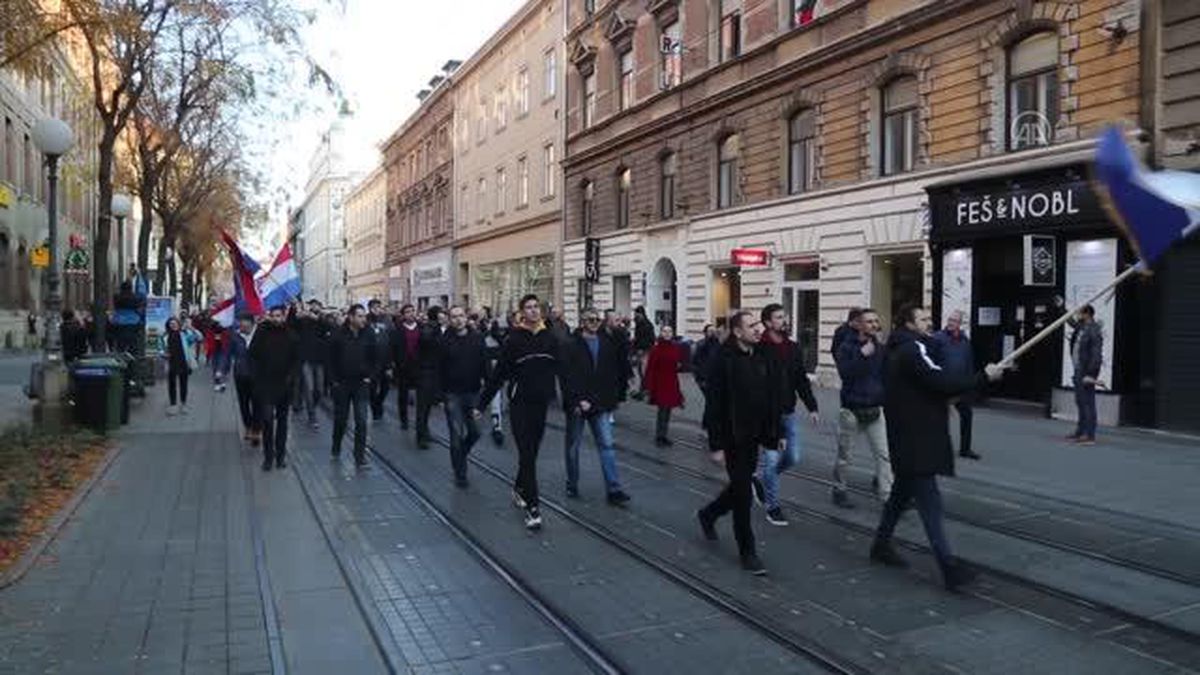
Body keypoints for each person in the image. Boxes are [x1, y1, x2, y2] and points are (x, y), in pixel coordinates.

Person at [869, 304, 1005, 591]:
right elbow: (940, 381)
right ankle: (949, 568)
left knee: (898, 499)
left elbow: (924, 386)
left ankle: (880, 545)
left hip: (907, 435)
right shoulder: (912, 350)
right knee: (931, 505)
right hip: (918, 439)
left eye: (930, 318)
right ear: (908, 323)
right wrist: (984, 376)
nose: (930, 323)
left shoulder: (898, 349)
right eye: (923, 319)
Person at [697, 311, 786, 575]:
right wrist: (716, 445)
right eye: (751, 327)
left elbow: (772, 398)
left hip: (756, 434)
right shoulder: (722, 360)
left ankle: (709, 514)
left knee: (739, 488)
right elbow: (714, 404)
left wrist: (777, 432)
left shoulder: (762, 355)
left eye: (758, 325)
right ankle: (748, 552)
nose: (758, 330)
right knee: (743, 494)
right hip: (733, 436)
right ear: (737, 332)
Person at [476, 294, 561, 530]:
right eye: (528, 308)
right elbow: (498, 374)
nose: (533, 311)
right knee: (526, 453)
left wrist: (574, 397)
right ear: (522, 312)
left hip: (540, 403)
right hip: (519, 403)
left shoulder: (550, 338)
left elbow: (564, 369)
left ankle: (519, 487)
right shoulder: (514, 340)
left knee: (531, 453)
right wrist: (480, 405)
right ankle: (533, 508)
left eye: (536, 307)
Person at [751, 304, 820, 527]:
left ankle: (761, 481)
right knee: (771, 461)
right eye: (779, 317)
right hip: (767, 415)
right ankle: (772, 507)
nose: (784, 320)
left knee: (793, 457)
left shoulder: (792, 347)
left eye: (785, 316)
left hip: (788, 411)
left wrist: (812, 406)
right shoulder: (759, 348)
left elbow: (800, 378)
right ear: (768, 323)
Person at [560, 307, 631, 504]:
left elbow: (610, 374)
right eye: (590, 320)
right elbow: (566, 377)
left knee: (607, 445)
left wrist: (613, 400)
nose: (594, 323)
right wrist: (576, 400)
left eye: (597, 320)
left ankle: (614, 489)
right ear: (582, 322)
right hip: (578, 404)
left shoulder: (606, 343)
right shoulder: (570, 344)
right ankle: (572, 483)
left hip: (599, 404)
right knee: (573, 447)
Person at [832, 307, 891, 508]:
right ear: (859, 325)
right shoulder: (846, 347)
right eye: (869, 322)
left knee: (884, 455)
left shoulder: (881, 347)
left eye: (876, 321)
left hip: (875, 409)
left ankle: (887, 496)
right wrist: (862, 355)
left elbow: (885, 375)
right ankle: (839, 489)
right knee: (845, 456)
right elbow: (846, 374)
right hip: (851, 410)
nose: (874, 325)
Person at [440, 306, 487, 487]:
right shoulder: (445, 341)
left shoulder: (477, 338)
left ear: (466, 318)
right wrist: (440, 396)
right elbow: (439, 368)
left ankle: (461, 454)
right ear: (449, 320)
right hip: (452, 394)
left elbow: (485, 364)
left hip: (473, 392)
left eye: (461, 316)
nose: (458, 320)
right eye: (454, 317)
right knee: (455, 435)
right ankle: (460, 473)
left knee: (475, 432)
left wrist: (488, 389)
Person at [250, 305, 299, 471]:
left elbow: (296, 359)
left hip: (284, 385)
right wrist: (260, 327)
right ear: (270, 316)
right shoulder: (263, 332)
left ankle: (281, 456)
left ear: (284, 316)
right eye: (274, 316)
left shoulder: (291, 334)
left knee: (283, 422)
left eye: (280, 316)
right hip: (266, 384)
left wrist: (291, 377)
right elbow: (253, 353)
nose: (277, 319)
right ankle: (268, 457)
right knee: (268, 420)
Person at [329, 304, 376, 468]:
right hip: (342, 383)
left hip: (361, 384)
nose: (364, 319)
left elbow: (375, 356)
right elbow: (330, 359)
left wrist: (370, 375)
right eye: (360, 316)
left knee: (362, 420)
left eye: (364, 316)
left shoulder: (368, 334)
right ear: (351, 317)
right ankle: (336, 445)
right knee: (341, 419)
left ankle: (359, 456)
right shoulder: (338, 335)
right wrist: (334, 380)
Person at [931, 310, 980, 459]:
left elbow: (968, 362)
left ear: (960, 323)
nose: (951, 323)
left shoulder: (965, 341)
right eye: (950, 320)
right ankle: (938, 448)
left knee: (967, 415)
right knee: (941, 417)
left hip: (961, 385)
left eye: (954, 321)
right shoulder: (938, 338)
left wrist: (970, 383)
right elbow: (932, 361)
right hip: (944, 384)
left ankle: (965, 449)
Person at [644, 324, 685, 447]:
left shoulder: (675, 347)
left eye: (669, 331)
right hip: (660, 383)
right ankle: (660, 436)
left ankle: (664, 435)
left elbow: (677, 363)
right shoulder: (656, 349)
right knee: (662, 411)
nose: (667, 333)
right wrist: (648, 386)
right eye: (665, 331)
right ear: (661, 333)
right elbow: (650, 368)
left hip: (671, 382)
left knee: (668, 411)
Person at [1067, 304, 1103, 445]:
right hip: (1078, 368)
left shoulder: (1093, 330)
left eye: (1080, 312)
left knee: (1088, 402)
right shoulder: (1082, 327)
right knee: (1080, 401)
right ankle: (1080, 431)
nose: (1077, 315)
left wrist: (1091, 374)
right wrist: (1061, 307)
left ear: (1087, 314)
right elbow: (1071, 322)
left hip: (1086, 370)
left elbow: (1096, 355)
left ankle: (1089, 435)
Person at [291, 301, 329, 429]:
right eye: (311, 305)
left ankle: (311, 405)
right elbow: (291, 326)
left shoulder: (321, 319)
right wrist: (295, 314)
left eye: (315, 305)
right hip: (305, 359)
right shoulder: (301, 320)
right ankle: (312, 415)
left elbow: (328, 328)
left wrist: (318, 318)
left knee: (319, 390)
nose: (313, 308)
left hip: (319, 360)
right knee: (310, 388)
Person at [413, 306, 447, 449]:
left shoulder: (435, 328)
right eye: (442, 313)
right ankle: (421, 436)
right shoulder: (429, 329)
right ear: (437, 315)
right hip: (426, 372)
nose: (444, 316)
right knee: (423, 407)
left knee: (426, 407)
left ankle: (424, 433)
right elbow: (427, 343)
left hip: (432, 371)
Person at [229, 312, 260, 445]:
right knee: (244, 403)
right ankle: (248, 426)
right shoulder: (235, 337)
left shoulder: (260, 336)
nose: (241, 326)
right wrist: (221, 370)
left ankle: (257, 429)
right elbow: (228, 354)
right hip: (241, 374)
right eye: (240, 323)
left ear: (251, 324)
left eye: (244, 323)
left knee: (258, 403)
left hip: (258, 375)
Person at [391, 304, 421, 431]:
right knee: (403, 394)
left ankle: (421, 421)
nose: (411, 314)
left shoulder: (421, 328)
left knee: (421, 394)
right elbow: (393, 348)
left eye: (412, 311)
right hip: (403, 366)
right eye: (407, 312)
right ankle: (404, 420)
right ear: (403, 315)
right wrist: (392, 363)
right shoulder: (397, 329)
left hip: (419, 365)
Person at [159, 317, 198, 415]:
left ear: (178, 324)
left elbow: (198, 337)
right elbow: (160, 348)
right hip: (171, 362)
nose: (173, 325)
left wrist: (192, 328)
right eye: (171, 323)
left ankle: (183, 404)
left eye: (175, 323)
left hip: (183, 362)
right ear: (168, 325)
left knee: (183, 384)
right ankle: (173, 405)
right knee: (172, 384)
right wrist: (163, 353)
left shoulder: (184, 334)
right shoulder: (164, 336)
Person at [483, 310, 508, 445]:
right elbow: (485, 360)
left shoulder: (508, 340)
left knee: (502, 402)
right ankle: (497, 427)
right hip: (494, 376)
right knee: (496, 403)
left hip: (505, 376)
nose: (502, 333)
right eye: (500, 330)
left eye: (504, 330)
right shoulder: (487, 340)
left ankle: (498, 424)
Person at [367, 299, 393, 421]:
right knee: (372, 388)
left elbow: (392, 338)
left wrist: (391, 362)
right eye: (374, 307)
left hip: (385, 359)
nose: (377, 309)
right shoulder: (366, 320)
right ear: (370, 308)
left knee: (385, 386)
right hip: (371, 361)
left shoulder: (387, 320)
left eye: (378, 307)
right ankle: (375, 409)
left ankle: (379, 402)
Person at [631, 306, 655, 398]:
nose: (635, 315)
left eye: (637, 313)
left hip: (645, 350)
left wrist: (641, 348)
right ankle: (643, 389)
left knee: (643, 370)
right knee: (640, 370)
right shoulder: (640, 323)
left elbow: (650, 339)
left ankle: (647, 389)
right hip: (641, 350)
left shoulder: (646, 324)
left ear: (641, 314)